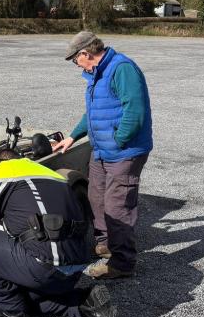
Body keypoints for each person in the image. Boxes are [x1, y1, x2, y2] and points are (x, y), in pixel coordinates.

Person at [0, 149, 117, 317]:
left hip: (43, 269)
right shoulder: (52, 175)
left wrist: (4, 223)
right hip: (74, 270)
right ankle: (85, 303)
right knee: (29, 298)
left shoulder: (5, 170)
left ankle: (12, 313)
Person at [53, 31, 153, 279]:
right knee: (96, 198)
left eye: (75, 59)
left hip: (124, 151)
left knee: (117, 207)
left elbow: (135, 111)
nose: (75, 64)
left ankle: (122, 263)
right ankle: (106, 244)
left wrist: (118, 139)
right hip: (101, 150)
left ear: (85, 53)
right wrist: (73, 136)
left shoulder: (122, 69)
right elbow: (94, 113)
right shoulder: (96, 75)